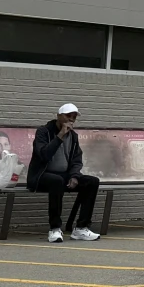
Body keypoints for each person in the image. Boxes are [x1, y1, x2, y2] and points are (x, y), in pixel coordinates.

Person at [27, 103, 101, 242]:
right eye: (68, 116)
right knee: (56, 181)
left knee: (92, 182)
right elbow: (43, 155)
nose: (71, 120)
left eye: (73, 117)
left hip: (64, 175)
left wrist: (74, 176)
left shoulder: (73, 137)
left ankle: (81, 228)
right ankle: (54, 229)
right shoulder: (43, 132)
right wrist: (60, 135)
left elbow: (76, 160)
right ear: (58, 116)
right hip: (41, 176)